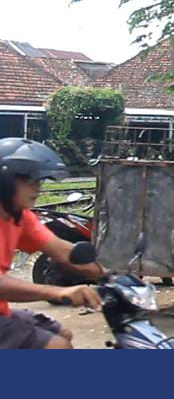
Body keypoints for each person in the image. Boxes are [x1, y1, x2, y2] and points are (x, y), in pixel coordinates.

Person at [0, 138, 103, 349]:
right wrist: (57, 292)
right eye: (31, 181)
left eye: (40, 181)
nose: (38, 188)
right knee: (57, 347)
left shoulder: (20, 216)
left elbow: (62, 250)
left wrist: (111, 275)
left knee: (63, 333)